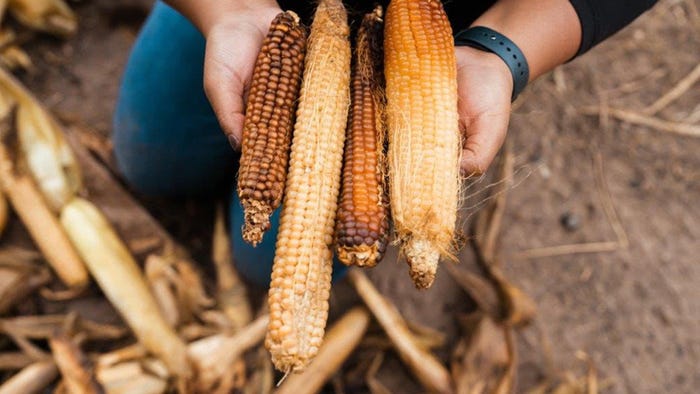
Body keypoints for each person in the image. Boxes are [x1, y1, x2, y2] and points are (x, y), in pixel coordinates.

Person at [113, 0, 657, 285]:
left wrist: (503, 50)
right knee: (148, 161)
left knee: (259, 265)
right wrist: (224, 10)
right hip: (251, 7)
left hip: (429, 41)